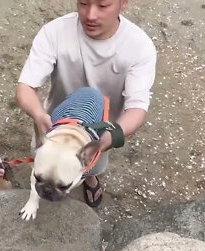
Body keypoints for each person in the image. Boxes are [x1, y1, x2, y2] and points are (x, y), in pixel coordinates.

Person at [15, 0, 157, 207]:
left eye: (103, 5)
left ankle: (90, 178)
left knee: (94, 166)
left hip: (100, 131)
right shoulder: (55, 32)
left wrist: (110, 137)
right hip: (55, 125)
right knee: (46, 169)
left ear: (123, 3)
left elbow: (137, 108)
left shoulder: (139, 47)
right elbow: (25, 87)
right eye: (83, 3)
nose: (90, 15)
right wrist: (39, 115)